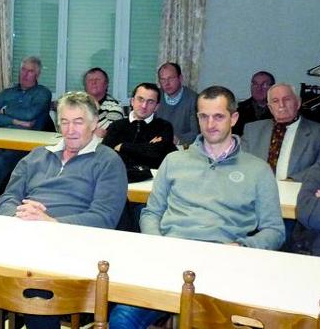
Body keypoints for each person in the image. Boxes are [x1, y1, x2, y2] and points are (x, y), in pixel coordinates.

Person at [109, 86, 285, 328]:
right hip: (170, 259)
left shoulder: (257, 170)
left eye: (219, 116)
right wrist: (158, 241)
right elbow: (151, 213)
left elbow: (274, 230)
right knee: (121, 319)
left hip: (224, 263)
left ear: (234, 118)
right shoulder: (174, 161)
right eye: (204, 116)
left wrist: (242, 247)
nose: (210, 123)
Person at [0, 91, 127, 329]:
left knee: (35, 294)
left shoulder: (108, 162)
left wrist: (51, 223)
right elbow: (8, 197)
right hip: (23, 238)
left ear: (94, 123)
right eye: (64, 122)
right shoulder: (37, 156)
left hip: (72, 246)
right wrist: (18, 216)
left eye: (78, 122)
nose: (70, 130)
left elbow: (104, 217)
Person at [0, 56, 52, 195]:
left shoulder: (43, 93)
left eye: (30, 71)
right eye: (23, 69)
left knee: (0, 163)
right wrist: (16, 121)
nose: (25, 74)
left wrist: (5, 110)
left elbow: (29, 115)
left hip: (26, 145)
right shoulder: (7, 93)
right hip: (0, 140)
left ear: (37, 75)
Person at [242, 83, 320, 182]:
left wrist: (291, 181)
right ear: (270, 107)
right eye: (275, 101)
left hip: (297, 191)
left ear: (298, 103)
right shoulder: (252, 130)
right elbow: (241, 163)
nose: (281, 105)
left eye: (287, 99)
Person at [103, 82, 176, 170]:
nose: (144, 106)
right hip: (121, 178)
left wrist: (123, 147)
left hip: (153, 179)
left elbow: (158, 156)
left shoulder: (164, 127)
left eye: (150, 102)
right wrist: (145, 150)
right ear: (132, 101)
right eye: (140, 99)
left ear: (156, 107)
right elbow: (105, 158)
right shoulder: (116, 126)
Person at [155, 62, 199, 146]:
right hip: (157, 146)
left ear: (180, 78)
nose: (167, 83)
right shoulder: (155, 96)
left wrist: (178, 140)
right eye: (163, 79)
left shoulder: (194, 100)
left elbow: (196, 133)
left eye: (171, 78)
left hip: (182, 148)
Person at [83, 67, 124, 137]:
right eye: (90, 80)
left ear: (106, 84)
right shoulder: (77, 103)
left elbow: (109, 132)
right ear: (85, 85)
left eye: (97, 80)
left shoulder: (115, 106)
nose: (93, 82)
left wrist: (96, 106)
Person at [232, 70, 275, 135]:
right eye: (255, 84)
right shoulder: (238, 110)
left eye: (264, 85)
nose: (259, 89)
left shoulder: (279, 110)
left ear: (273, 87)